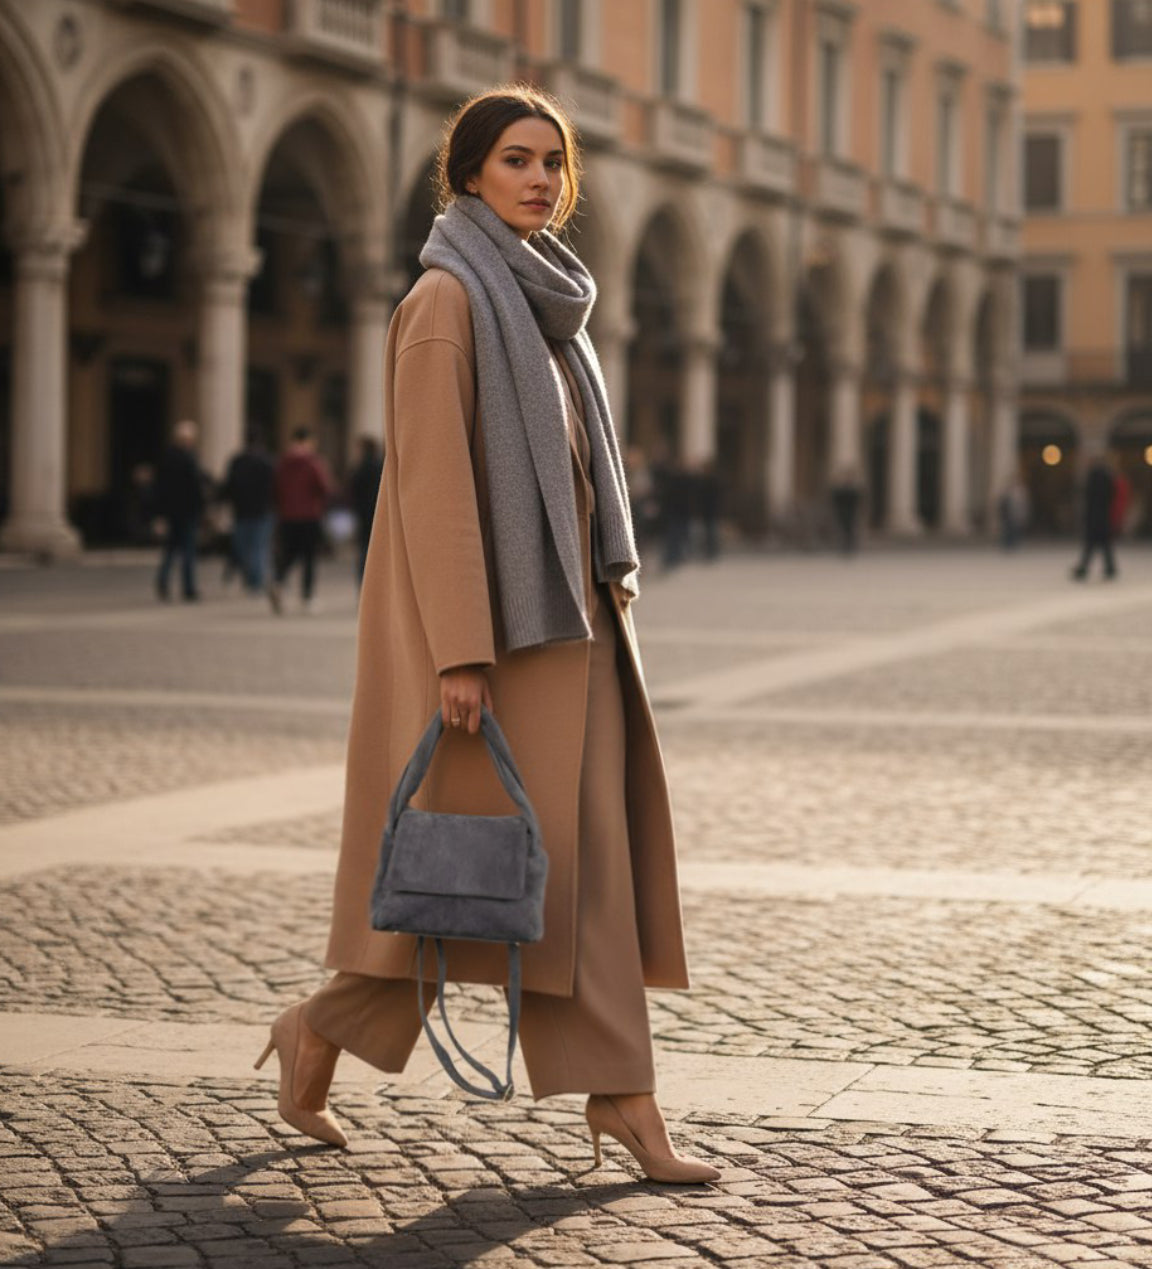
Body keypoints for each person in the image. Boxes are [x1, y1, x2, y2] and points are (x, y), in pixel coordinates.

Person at [255, 86, 718, 1185]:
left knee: (582, 877)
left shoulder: (551, 307)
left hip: (571, 635)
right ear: (466, 173)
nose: (540, 180)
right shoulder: (445, 303)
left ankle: (625, 1101)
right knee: (456, 884)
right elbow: (433, 492)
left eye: (554, 164)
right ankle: (317, 1026)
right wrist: (460, 651)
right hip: (486, 651)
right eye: (516, 159)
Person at [274, 427, 333, 613]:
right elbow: (324, 487)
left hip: (287, 515)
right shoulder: (313, 462)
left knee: (290, 552)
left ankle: (278, 581)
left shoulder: (283, 462)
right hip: (310, 515)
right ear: (307, 441)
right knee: (308, 557)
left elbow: (275, 488)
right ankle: (307, 597)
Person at [221, 428, 278, 610]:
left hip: (242, 511)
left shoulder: (237, 461)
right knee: (258, 548)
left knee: (245, 548)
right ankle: (255, 582)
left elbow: (228, 486)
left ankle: (252, 581)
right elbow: (275, 487)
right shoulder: (266, 461)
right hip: (261, 510)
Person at [152, 420, 206, 602]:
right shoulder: (189, 459)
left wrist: (159, 513)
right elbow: (195, 487)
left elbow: (159, 487)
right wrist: (202, 509)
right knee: (188, 551)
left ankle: (163, 582)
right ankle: (188, 588)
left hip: (171, 512)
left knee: (170, 550)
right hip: (187, 511)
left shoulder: (167, 458)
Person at [1072, 453, 1118, 581]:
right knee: (1104, 544)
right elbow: (1111, 494)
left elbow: (1089, 497)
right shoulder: (1107, 476)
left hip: (1094, 517)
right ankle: (1109, 568)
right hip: (1103, 516)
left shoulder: (1093, 476)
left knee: (1091, 544)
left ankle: (1084, 568)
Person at [347, 436, 384, 586]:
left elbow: (352, 490)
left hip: (363, 514)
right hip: (378, 513)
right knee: (378, 550)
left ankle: (364, 583)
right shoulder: (380, 466)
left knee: (364, 550)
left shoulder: (359, 468)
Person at [829, 464, 864, 556]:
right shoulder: (841, 489)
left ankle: (849, 547)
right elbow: (834, 498)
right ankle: (844, 546)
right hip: (842, 513)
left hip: (850, 513)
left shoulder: (852, 489)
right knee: (843, 530)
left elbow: (858, 499)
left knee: (850, 530)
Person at [997, 473, 1029, 552]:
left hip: (1016, 515)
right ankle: (1008, 545)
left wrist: (1023, 514)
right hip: (1009, 515)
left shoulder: (1020, 492)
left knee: (1015, 531)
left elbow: (1023, 504)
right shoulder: (1008, 491)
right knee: (1009, 531)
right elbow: (1002, 503)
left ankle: (1013, 545)